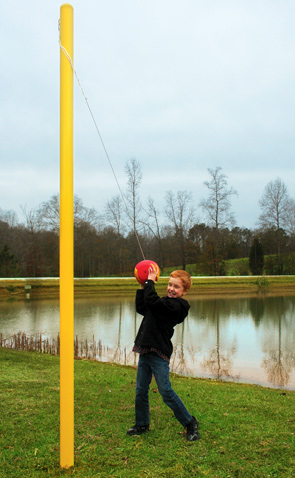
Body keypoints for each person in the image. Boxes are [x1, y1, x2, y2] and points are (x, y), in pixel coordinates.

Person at [127, 268, 200, 441]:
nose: (171, 289)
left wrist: (150, 283)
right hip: (146, 350)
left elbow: (153, 303)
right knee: (140, 390)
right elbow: (142, 307)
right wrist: (143, 286)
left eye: (176, 287)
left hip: (159, 353)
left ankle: (190, 423)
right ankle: (142, 424)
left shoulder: (178, 307)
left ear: (184, 291)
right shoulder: (161, 303)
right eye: (169, 284)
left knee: (165, 391)